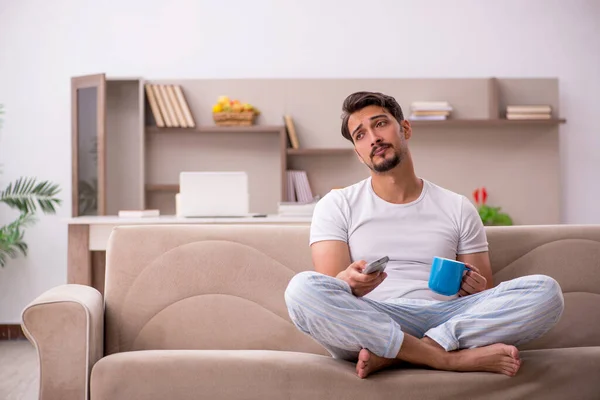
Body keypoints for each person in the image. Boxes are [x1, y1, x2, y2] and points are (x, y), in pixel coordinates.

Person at [284, 91, 564, 379]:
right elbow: (331, 288)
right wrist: (348, 282)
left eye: (380, 124)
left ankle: (402, 353)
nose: (373, 138)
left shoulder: (457, 206)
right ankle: (445, 359)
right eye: (360, 135)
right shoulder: (337, 204)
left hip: (447, 318)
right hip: (374, 316)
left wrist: (474, 286)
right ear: (358, 152)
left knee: (546, 292)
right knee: (301, 289)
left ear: (405, 129)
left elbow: (484, 291)